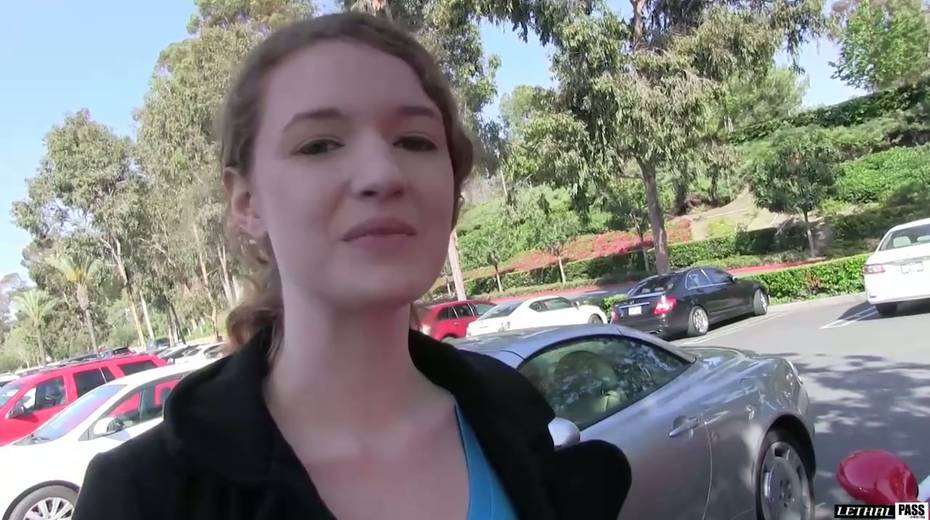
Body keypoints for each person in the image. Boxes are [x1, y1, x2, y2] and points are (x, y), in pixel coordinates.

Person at [73, 12, 631, 520]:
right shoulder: (144, 497)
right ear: (246, 203)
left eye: (414, 140)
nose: (382, 175)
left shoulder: (513, 418)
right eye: (319, 145)